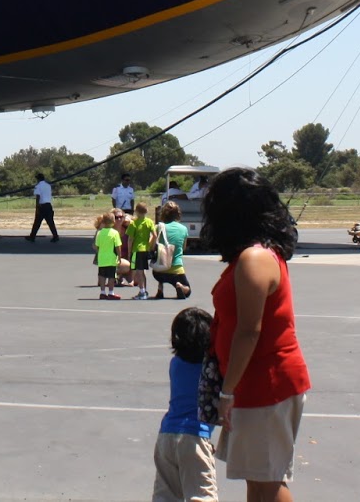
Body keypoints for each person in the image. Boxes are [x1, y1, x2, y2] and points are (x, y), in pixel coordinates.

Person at [203, 167, 310, 502]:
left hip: (265, 382)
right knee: (258, 479)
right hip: (259, 381)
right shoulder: (258, 254)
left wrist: (227, 392)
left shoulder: (253, 258)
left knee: (267, 481)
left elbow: (249, 331)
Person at [153, 306, 219, 502]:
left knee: (166, 496)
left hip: (166, 435)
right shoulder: (210, 367)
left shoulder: (176, 363)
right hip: (194, 436)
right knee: (201, 497)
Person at [152, 200, 193, 299]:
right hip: (176, 270)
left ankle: (160, 288)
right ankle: (180, 286)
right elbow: (183, 248)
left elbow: (153, 246)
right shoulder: (183, 229)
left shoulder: (159, 227)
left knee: (161, 256)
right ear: (178, 214)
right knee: (188, 291)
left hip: (159, 271)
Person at [128, 201, 156, 300]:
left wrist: (129, 252)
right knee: (142, 271)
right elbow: (154, 235)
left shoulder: (134, 223)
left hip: (136, 249)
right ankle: (143, 290)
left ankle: (142, 291)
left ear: (137, 211)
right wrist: (151, 245)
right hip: (145, 249)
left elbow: (130, 239)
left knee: (138, 271)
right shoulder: (149, 222)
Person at [93, 211, 122, 299]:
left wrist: (100, 252)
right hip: (111, 258)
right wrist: (119, 256)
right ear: (113, 222)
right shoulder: (115, 233)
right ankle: (111, 292)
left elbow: (96, 245)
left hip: (102, 258)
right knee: (111, 276)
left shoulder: (99, 233)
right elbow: (117, 246)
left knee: (102, 275)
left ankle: (102, 292)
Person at [26, 171, 58, 242]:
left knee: (37, 222)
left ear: (38, 179)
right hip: (48, 205)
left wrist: (37, 207)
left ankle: (32, 237)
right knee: (50, 222)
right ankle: (55, 236)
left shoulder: (38, 186)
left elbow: (38, 196)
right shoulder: (48, 186)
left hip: (42, 206)